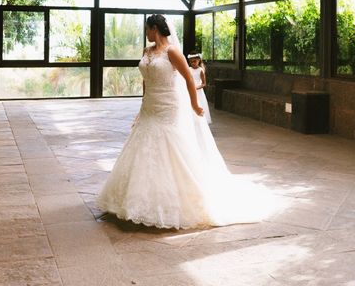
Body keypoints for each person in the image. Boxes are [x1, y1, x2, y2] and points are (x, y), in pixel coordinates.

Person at [97, 14, 269, 230]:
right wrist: (142, 106)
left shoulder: (172, 52)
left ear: (156, 29)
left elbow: (188, 78)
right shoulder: (147, 51)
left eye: (147, 29)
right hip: (150, 105)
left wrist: (195, 105)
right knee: (143, 146)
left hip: (169, 105)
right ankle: (138, 199)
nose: (146, 33)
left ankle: (176, 200)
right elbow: (145, 80)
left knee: (168, 147)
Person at [188, 51, 212, 124]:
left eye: (194, 61)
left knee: (199, 103)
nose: (193, 63)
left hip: (198, 90)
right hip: (190, 89)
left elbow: (204, 83)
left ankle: (200, 119)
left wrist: (197, 87)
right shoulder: (189, 69)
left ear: (199, 60)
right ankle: (191, 119)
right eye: (191, 62)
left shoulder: (200, 70)